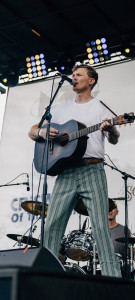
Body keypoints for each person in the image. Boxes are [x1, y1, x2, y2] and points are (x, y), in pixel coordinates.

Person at [28, 64, 121, 277]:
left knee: (100, 227)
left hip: (92, 170)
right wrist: (42, 132)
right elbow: (32, 131)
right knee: (52, 225)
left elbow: (114, 139)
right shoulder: (60, 109)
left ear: (91, 81)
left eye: (79, 75)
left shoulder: (100, 107)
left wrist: (111, 129)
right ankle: (47, 278)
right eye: (73, 74)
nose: (74, 77)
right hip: (66, 172)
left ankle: (113, 281)